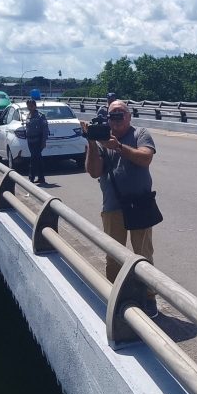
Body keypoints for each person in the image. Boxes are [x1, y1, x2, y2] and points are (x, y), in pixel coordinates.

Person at [81, 100, 160, 317]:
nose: (116, 118)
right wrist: (92, 143)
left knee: (143, 254)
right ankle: (115, 296)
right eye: (112, 115)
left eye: (120, 114)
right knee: (114, 256)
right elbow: (94, 172)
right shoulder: (100, 138)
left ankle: (149, 297)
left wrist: (117, 146)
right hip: (113, 206)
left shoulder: (140, 133)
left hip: (140, 204)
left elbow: (145, 158)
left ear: (129, 116)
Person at [24, 98, 49, 184]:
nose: (30, 107)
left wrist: (44, 142)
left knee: (34, 159)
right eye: (28, 106)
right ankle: (41, 178)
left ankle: (32, 177)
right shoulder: (28, 115)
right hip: (30, 141)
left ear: (35, 106)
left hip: (38, 140)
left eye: (31, 106)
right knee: (37, 159)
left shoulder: (40, 116)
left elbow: (45, 130)